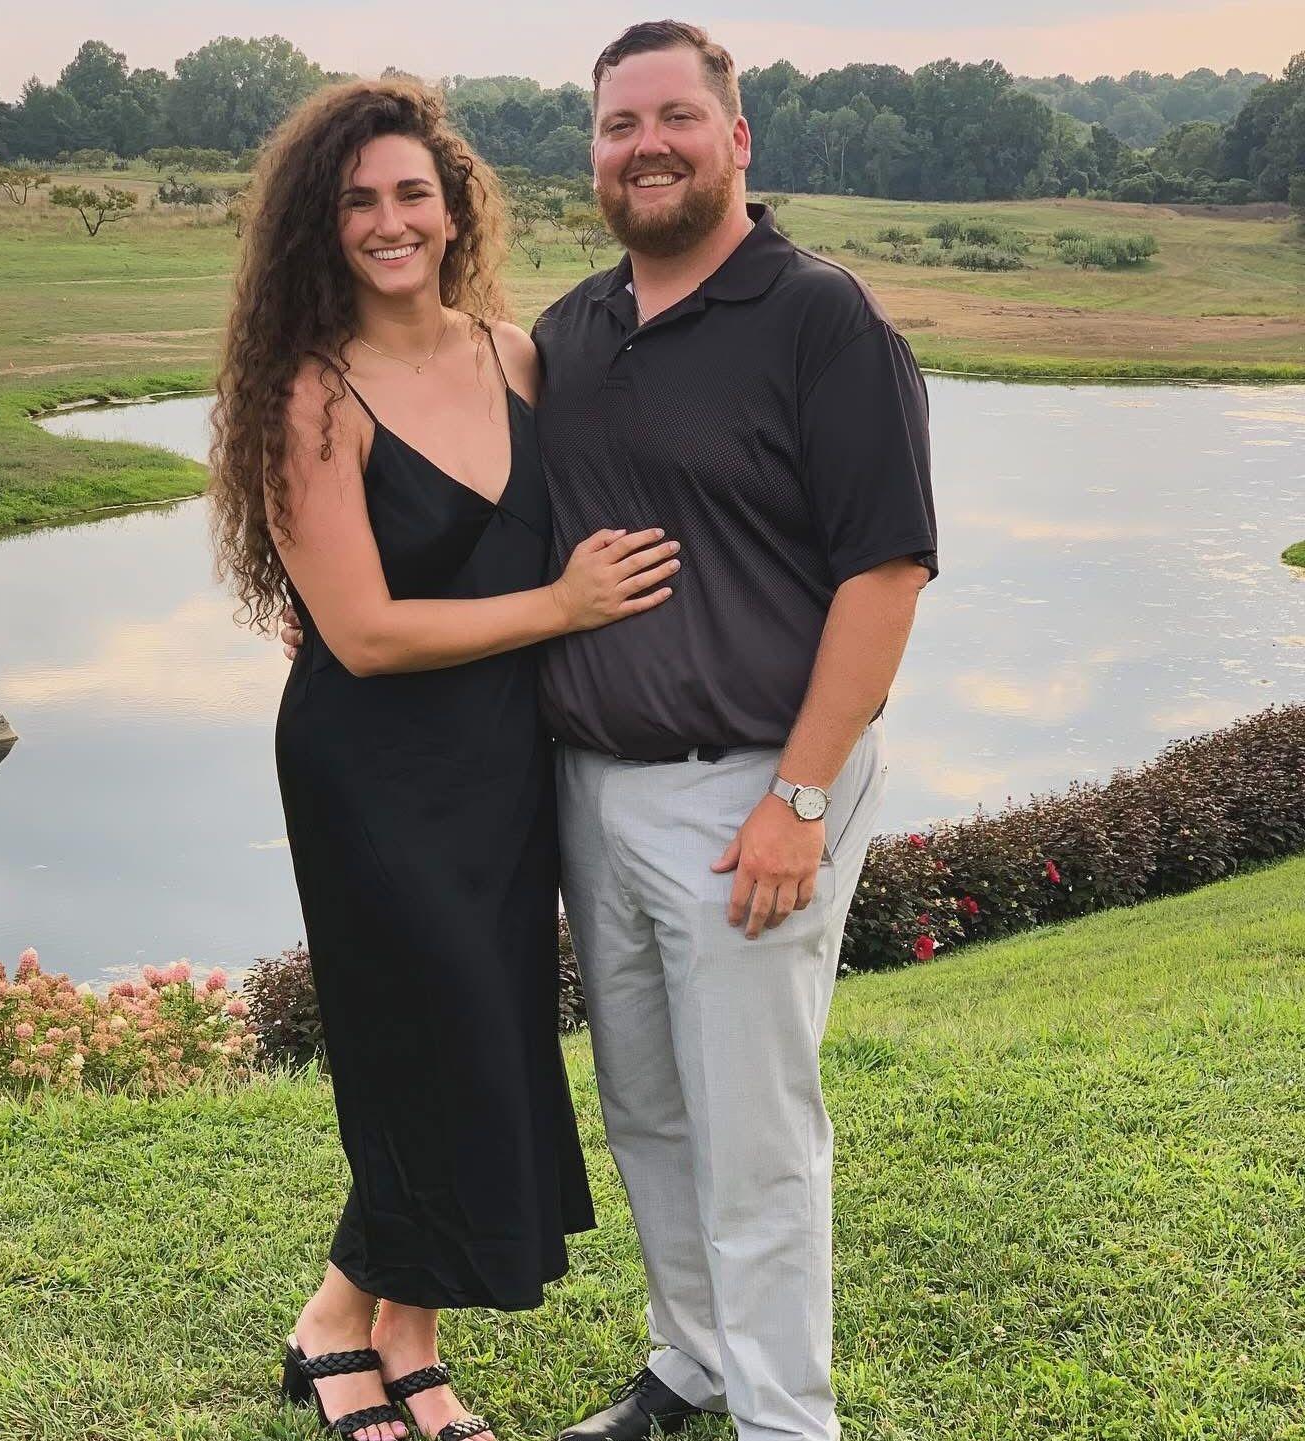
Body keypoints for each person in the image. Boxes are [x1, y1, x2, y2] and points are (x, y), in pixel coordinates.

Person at [284, 22, 938, 1441]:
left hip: (753, 789)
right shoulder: (570, 336)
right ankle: (690, 1359)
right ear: (589, 155)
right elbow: (422, 552)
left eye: (676, 118)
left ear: (736, 138)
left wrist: (801, 798)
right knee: (643, 1107)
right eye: (618, 126)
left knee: (755, 1131)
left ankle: (784, 1419)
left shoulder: (820, 318)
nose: (648, 147)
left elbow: (886, 575)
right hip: (578, 788)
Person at [211, 80, 681, 1441]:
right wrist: (563, 608)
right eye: (357, 200)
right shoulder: (310, 394)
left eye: (412, 192)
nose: (389, 221)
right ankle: (335, 1327)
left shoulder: (514, 356)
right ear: (320, 227)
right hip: (373, 771)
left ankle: (397, 1335)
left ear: (457, 206)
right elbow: (360, 634)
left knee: (484, 1035)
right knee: (418, 1045)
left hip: (502, 765)